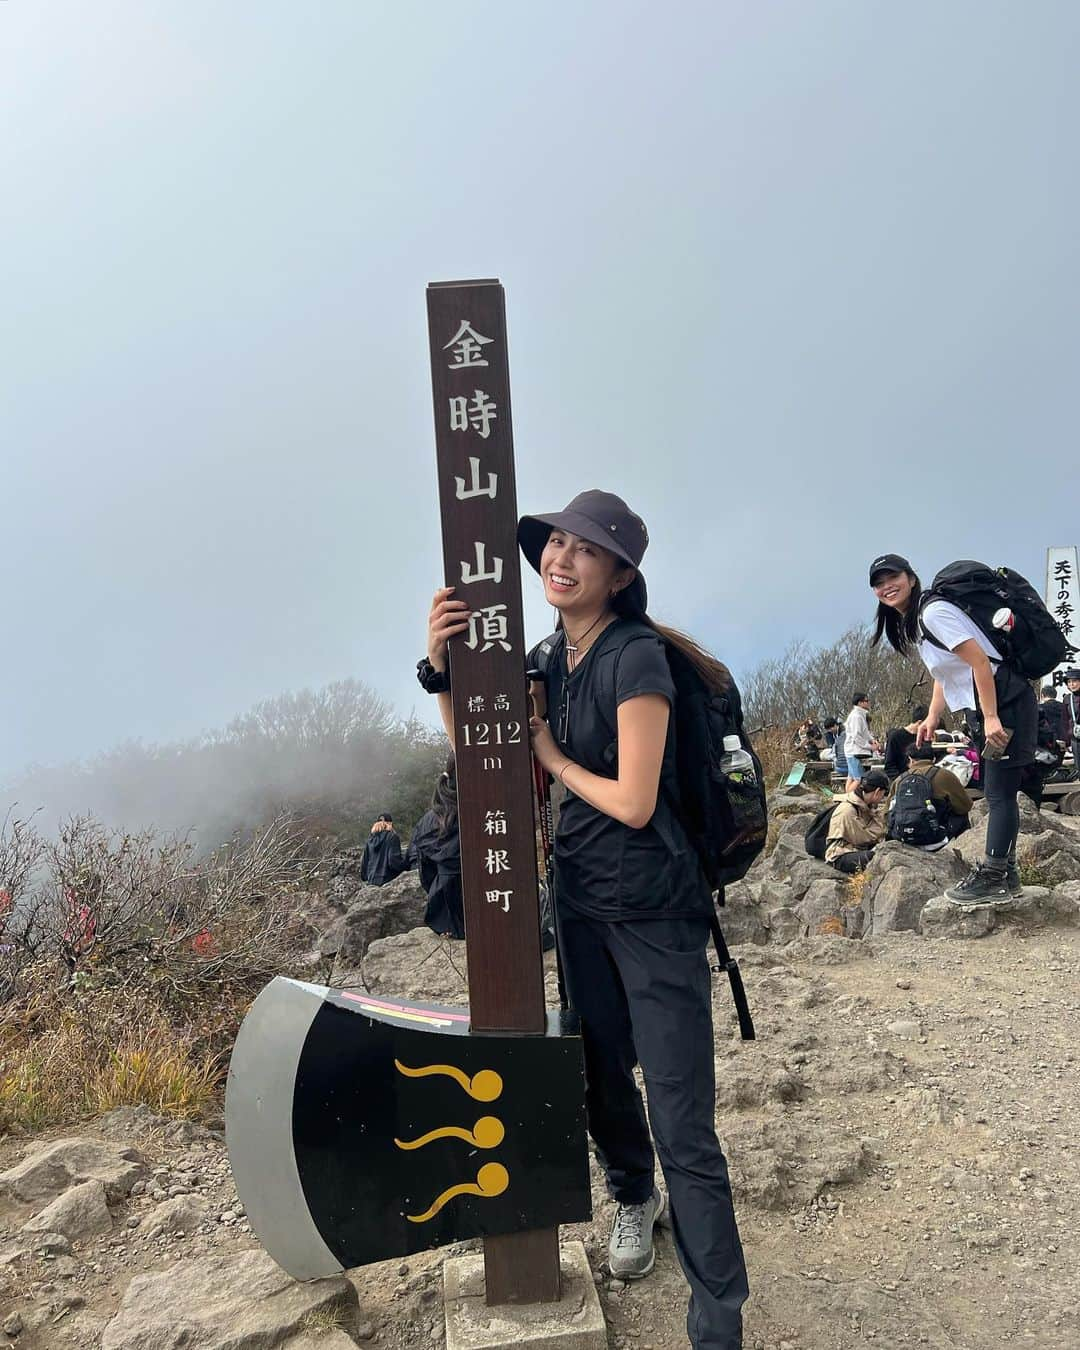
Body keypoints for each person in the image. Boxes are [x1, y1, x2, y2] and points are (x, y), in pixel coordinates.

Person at [424, 489, 748, 1349]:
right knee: (602, 1076)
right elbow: (482, 757)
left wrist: (555, 757)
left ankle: (719, 1319)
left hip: (653, 910)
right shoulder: (546, 658)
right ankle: (634, 1201)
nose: (561, 561)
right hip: (579, 904)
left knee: (682, 1113)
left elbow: (636, 803)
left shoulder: (635, 657)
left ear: (620, 573)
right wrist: (439, 669)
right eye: (555, 545)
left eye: (585, 551)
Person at [869, 553, 1038, 905]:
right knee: (998, 791)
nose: (887, 587)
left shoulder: (933, 613)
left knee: (999, 793)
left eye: (893, 578)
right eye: (879, 583)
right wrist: (932, 717)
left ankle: (994, 875)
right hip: (989, 703)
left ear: (911, 578)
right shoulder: (916, 622)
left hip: (1003, 699)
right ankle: (1006, 874)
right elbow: (945, 673)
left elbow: (979, 661)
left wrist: (991, 717)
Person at [409, 758, 465, 939]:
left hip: (444, 914)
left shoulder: (428, 820)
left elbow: (425, 873)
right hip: (494, 906)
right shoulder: (491, 813)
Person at [889, 742, 972, 842]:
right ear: (933, 759)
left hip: (904, 837)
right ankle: (962, 846)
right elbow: (965, 806)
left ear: (910, 759)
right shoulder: (945, 775)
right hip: (937, 837)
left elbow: (887, 813)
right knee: (962, 815)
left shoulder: (899, 780)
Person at [825, 769, 889, 873]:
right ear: (877, 792)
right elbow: (867, 837)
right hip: (840, 855)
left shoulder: (863, 804)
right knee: (877, 858)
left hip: (854, 848)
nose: (883, 797)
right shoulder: (848, 810)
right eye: (884, 793)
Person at [844, 693, 880, 792]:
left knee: (851, 777)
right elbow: (856, 736)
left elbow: (864, 733)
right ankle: (851, 797)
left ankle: (848, 796)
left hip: (853, 751)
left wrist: (872, 740)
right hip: (853, 751)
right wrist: (870, 746)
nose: (868, 703)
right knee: (858, 779)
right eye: (866, 701)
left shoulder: (860, 714)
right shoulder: (856, 716)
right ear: (860, 703)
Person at [882, 705, 929, 781]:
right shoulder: (895, 737)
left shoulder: (926, 738)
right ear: (920, 723)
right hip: (902, 781)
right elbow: (889, 766)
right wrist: (901, 781)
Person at [359, 813, 405, 886]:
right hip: (388, 880)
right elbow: (393, 861)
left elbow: (364, 863)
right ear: (390, 823)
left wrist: (366, 878)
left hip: (372, 881)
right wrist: (405, 866)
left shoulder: (370, 840)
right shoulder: (392, 837)